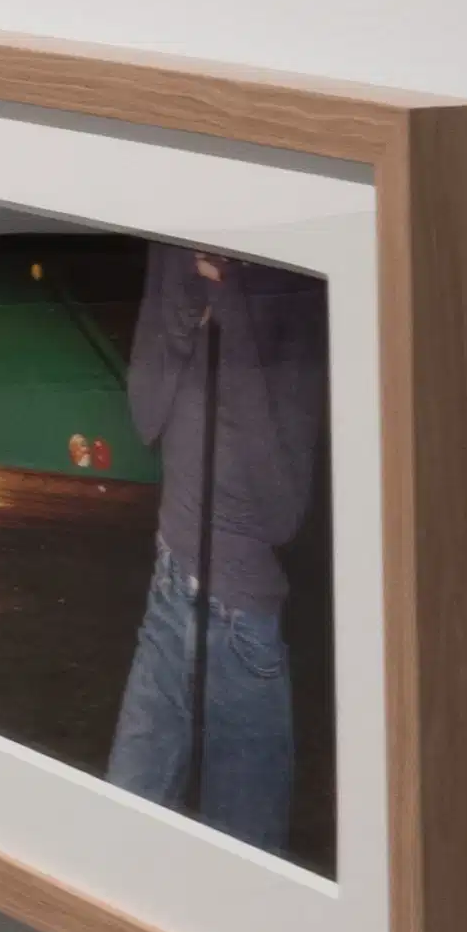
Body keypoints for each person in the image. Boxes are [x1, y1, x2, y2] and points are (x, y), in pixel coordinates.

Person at [98, 240, 326, 859]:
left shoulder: (292, 288)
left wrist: (232, 307)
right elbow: (145, 412)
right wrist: (188, 301)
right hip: (168, 590)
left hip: (241, 626)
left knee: (246, 870)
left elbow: (283, 511)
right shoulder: (174, 259)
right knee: (120, 840)